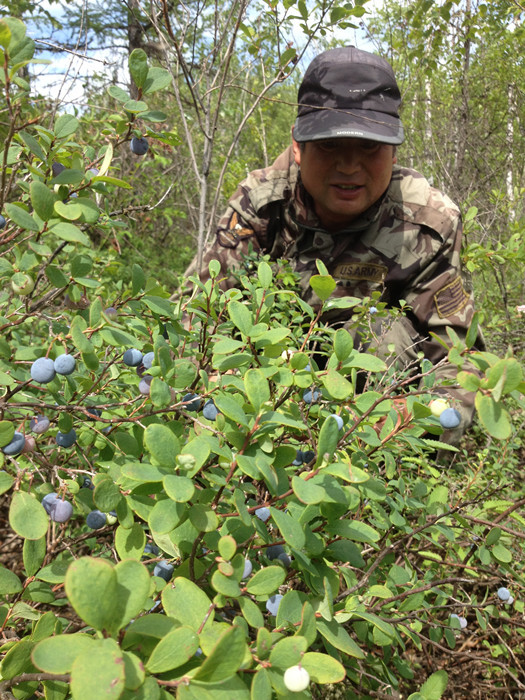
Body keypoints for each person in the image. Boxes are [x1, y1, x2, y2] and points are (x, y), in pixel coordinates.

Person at [181, 46, 481, 445]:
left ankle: (382, 488)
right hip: (273, 376)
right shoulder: (263, 203)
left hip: (377, 401)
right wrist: (218, 392)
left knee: (385, 333)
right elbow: (194, 315)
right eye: (329, 145)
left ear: (393, 151)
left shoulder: (427, 222)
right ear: (298, 147)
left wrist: (410, 424)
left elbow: (458, 360)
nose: (349, 166)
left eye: (370, 147)